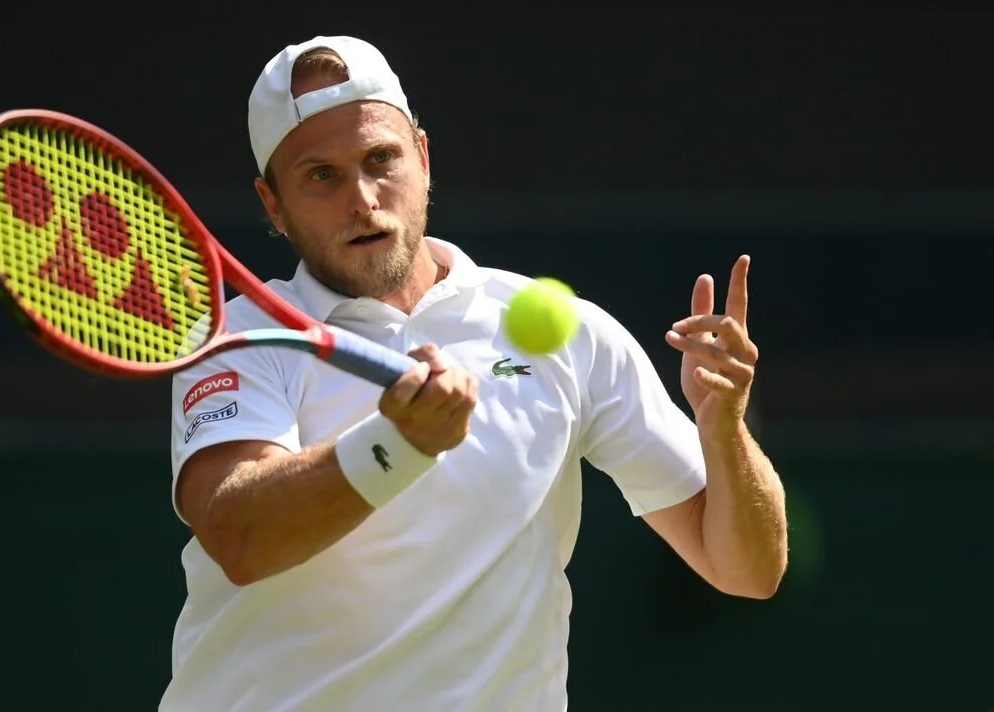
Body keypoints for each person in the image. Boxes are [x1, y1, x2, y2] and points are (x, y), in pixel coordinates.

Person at [160, 35, 788, 711]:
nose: (363, 199)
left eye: (381, 159)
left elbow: (748, 570)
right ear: (273, 204)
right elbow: (241, 537)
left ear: (423, 158)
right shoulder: (238, 340)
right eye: (321, 176)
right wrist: (399, 446)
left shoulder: (574, 335)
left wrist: (724, 431)